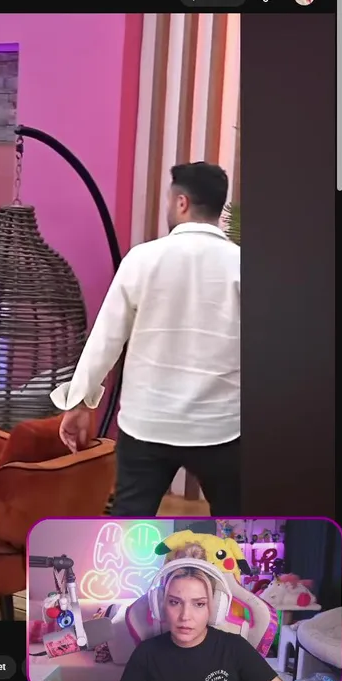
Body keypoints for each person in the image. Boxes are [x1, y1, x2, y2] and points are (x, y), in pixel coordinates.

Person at [52, 162, 240, 516]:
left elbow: (106, 338)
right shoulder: (242, 265)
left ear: (181, 202)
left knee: (130, 523)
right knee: (237, 524)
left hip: (147, 422)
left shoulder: (142, 259)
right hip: (220, 427)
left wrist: (79, 403)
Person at [116, 544, 292, 681]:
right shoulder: (146, 653)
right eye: (175, 602)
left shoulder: (235, 648)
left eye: (199, 604)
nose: (185, 616)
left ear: (215, 608)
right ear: (160, 605)